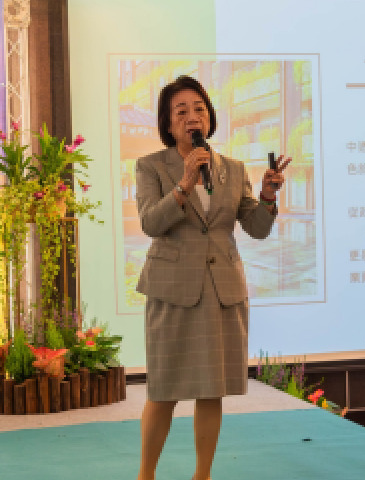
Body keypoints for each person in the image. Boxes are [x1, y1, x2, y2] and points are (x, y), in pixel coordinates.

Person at [134, 75, 290, 480]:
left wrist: (268, 196)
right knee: (164, 390)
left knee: (210, 390)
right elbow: (150, 222)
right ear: (168, 124)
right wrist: (184, 183)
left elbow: (256, 228)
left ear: (210, 116)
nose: (192, 116)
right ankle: (146, 474)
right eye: (181, 111)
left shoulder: (232, 170)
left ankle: (202, 474)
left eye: (199, 108)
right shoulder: (151, 166)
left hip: (221, 292)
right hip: (172, 291)